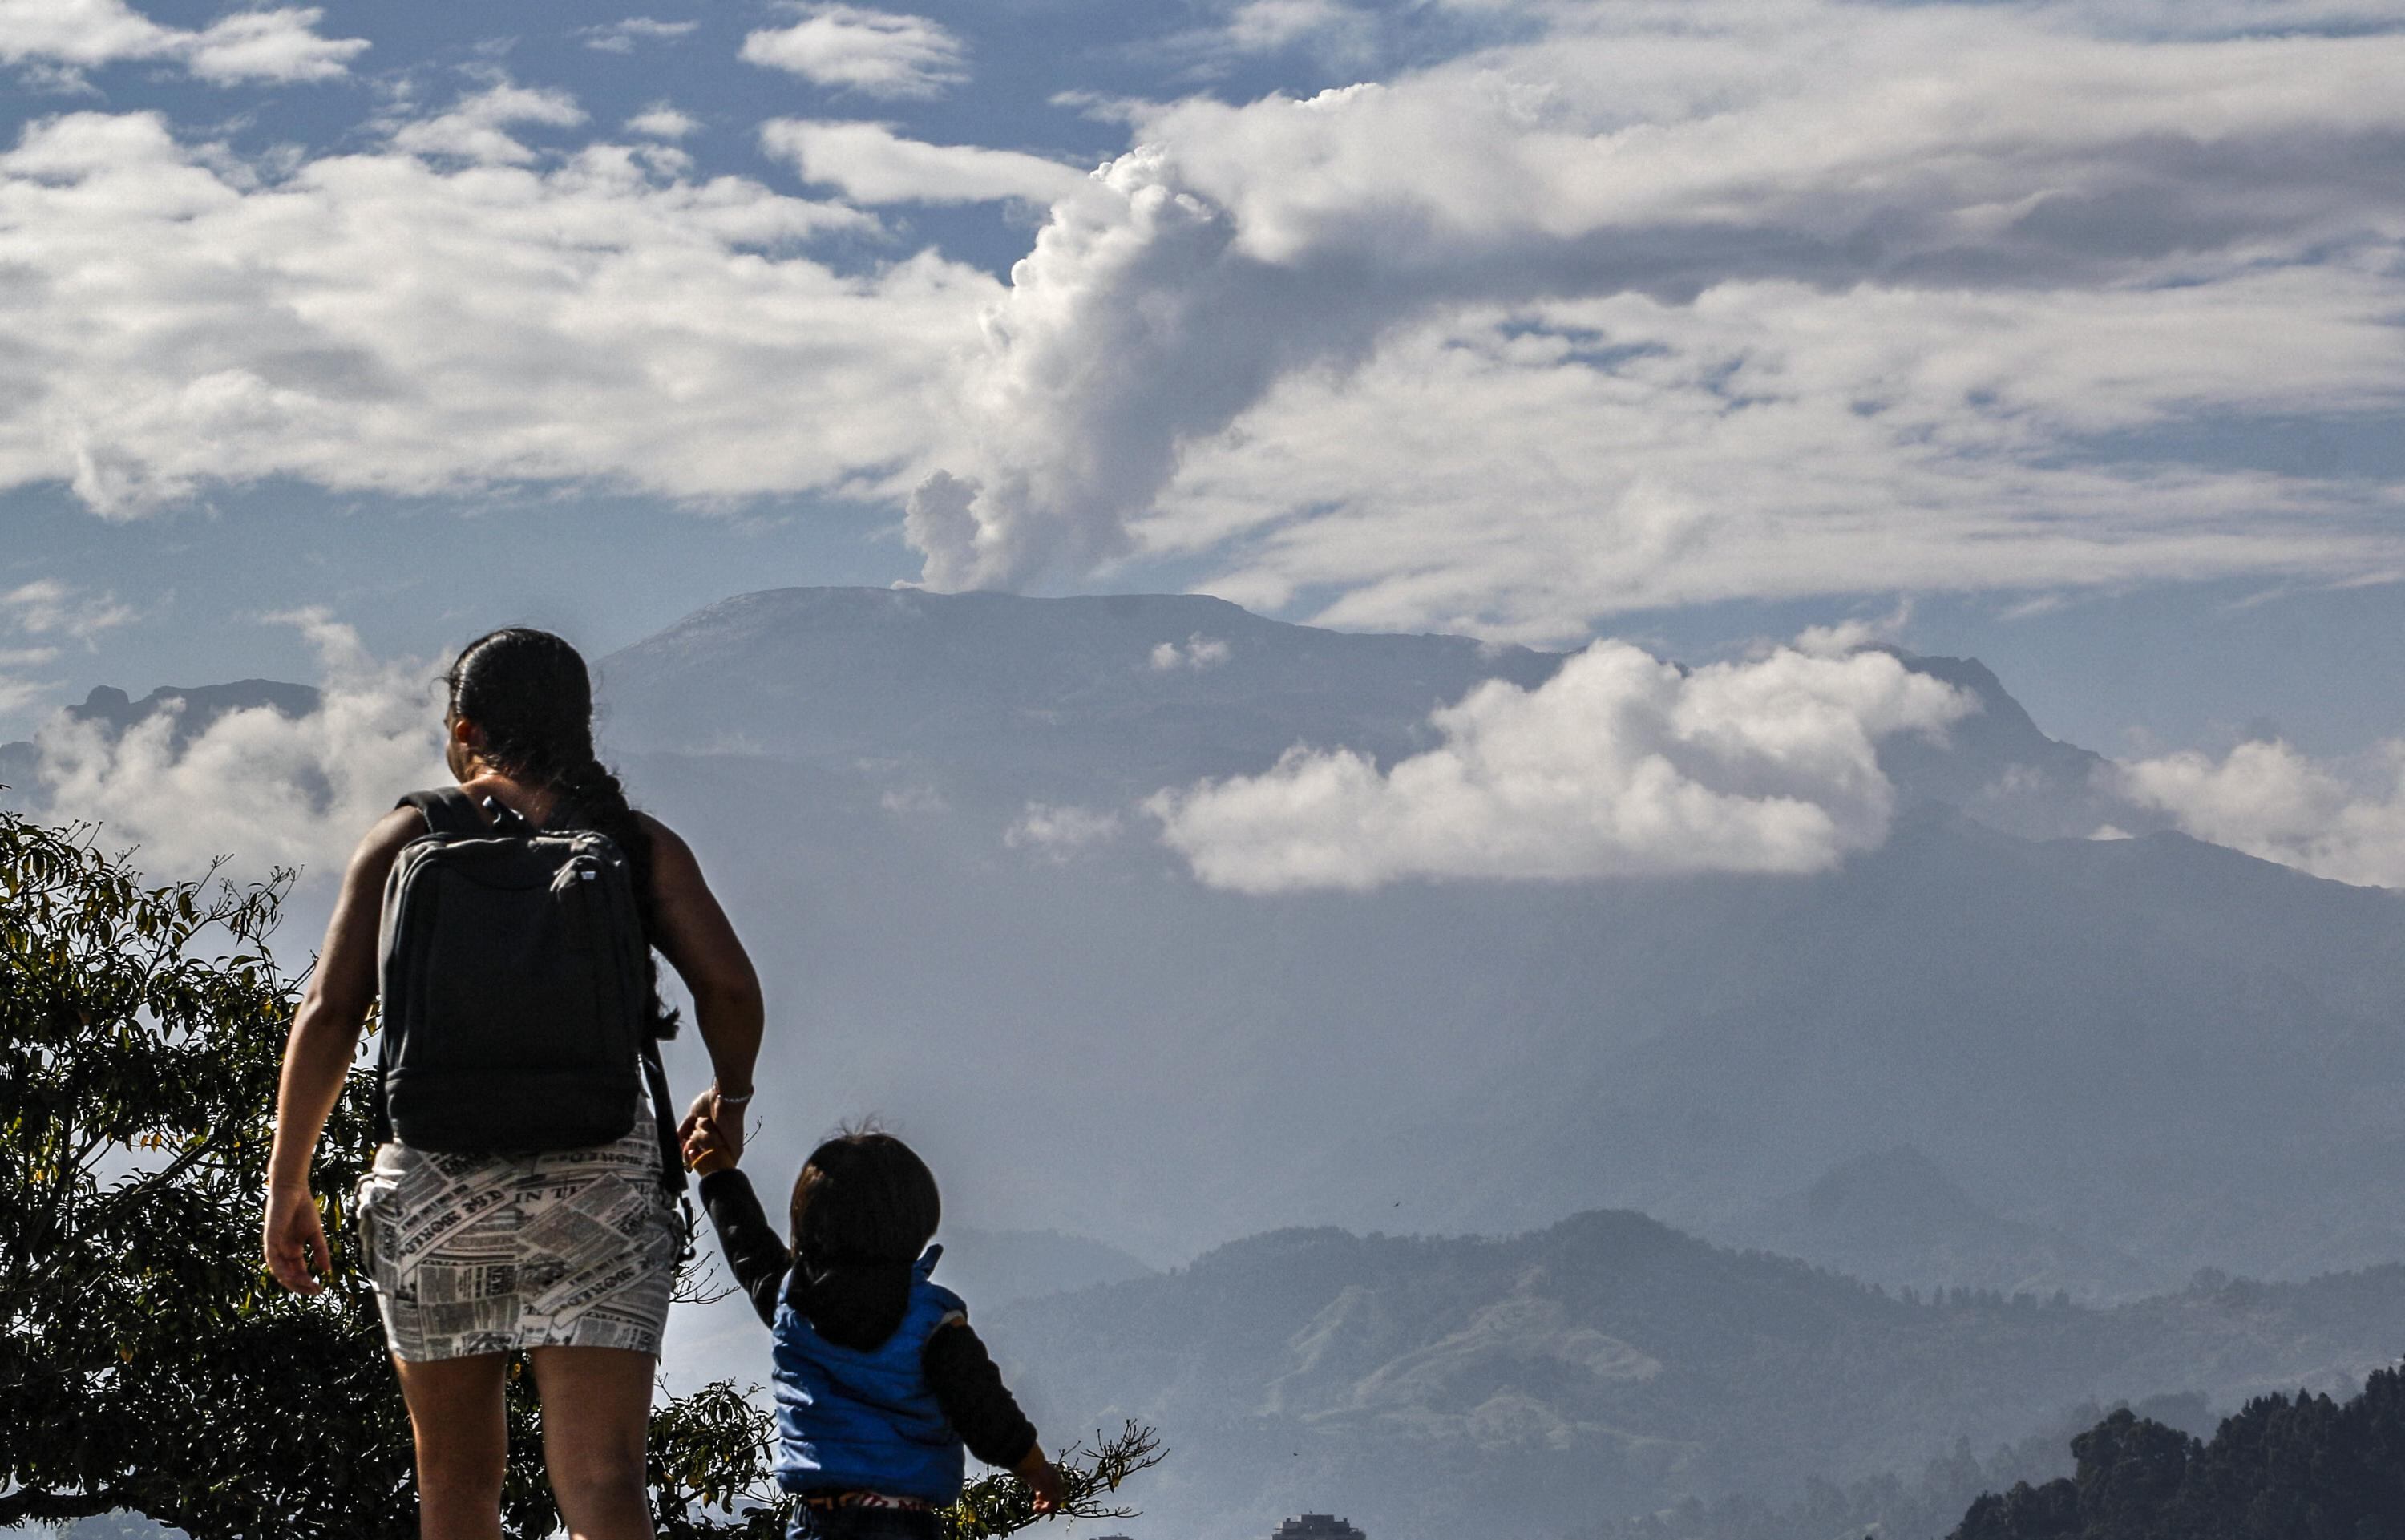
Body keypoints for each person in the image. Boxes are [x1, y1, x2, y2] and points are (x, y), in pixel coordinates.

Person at [262, 627, 765, 1540]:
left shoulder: (408, 835)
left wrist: (288, 1182)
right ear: (580, 729)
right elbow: (729, 986)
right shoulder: (631, 842)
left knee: (456, 1487)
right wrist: (728, 1098)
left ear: (465, 732)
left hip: (436, 1196)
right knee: (606, 1481)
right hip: (600, 1198)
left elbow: (330, 1012)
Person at [680, 1115, 1063, 1540]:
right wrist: (1035, 1468)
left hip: (818, 1522)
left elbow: (747, 1245)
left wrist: (717, 1171)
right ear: (917, 1223)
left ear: (808, 1223)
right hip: (905, 1523)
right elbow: (985, 1410)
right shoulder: (933, 1323)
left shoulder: (793, 1303)